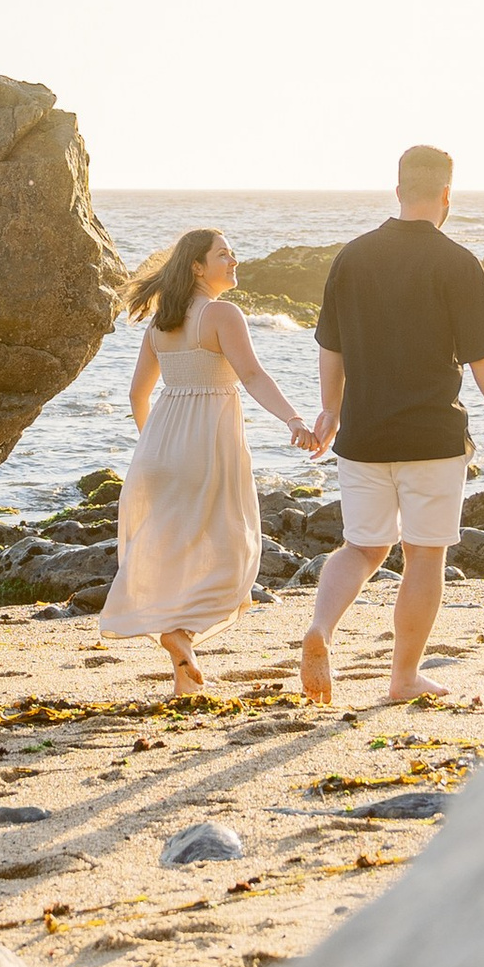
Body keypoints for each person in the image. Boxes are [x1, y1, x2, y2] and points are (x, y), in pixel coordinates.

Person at [301, 144, 484, 707]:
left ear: (398, 191)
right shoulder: (457, 262)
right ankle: (403, 677)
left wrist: (330, 411)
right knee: (424, 555)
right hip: (432, 437)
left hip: (362, 435)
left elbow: (330, 346)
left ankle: (321, 629)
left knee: (361, 547)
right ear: (447, 195)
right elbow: (483, 359)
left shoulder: (351, 257)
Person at [99, 226, 315, 698]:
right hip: (206, 449)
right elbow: (253, 375)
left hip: (159, 449)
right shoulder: (221, 314)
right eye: (224, 255)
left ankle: (184, 679)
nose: (233, 261)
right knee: (235, 551)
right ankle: (183, 633)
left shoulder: (161, 324)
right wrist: (294, 418)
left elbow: (139, 394)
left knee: (172, 556)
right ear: (198, 266)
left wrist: (154, 447)